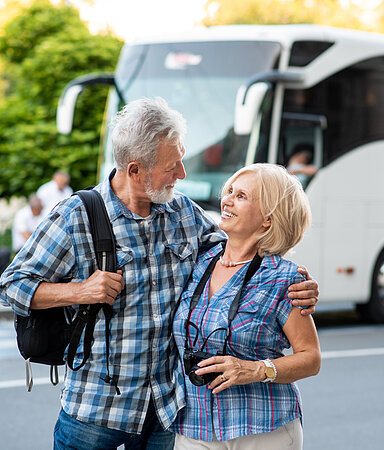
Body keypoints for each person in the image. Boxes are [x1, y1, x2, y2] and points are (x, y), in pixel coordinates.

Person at [0, 98, 319, 450]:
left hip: (166, 413)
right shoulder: (77, 215)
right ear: (135, 170)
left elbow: (240, 252)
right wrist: (80, 291)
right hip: (96, 410)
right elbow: (12, 285)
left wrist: (294, 278)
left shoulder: (182, 211)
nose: (182, 173)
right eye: (172, 165)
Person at [171, 163, 321, 449]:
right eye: (228, 191)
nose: (226, 200)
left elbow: (311, 358)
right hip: (194, 427)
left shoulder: (283, 278)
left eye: (241, 196)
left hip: (263, 429)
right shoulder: (198, 261)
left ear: (267, 219)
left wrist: (255, 370)